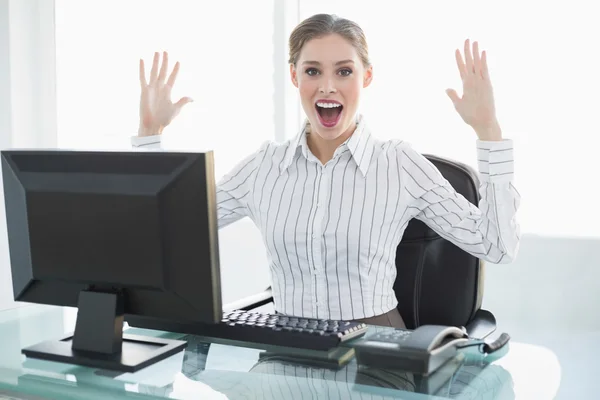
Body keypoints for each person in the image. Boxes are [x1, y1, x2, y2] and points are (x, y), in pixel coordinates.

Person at [132, 14, 520, 329]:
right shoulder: (264, 167)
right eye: (313, 71)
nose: (327, 87)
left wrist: (489, 132)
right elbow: (166, 229)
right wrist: (150, 134)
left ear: (366, 77)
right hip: (287, 348)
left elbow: (497, 245)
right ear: (295, 77)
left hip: (377, 353)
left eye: (344, 72)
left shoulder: (398, 164)